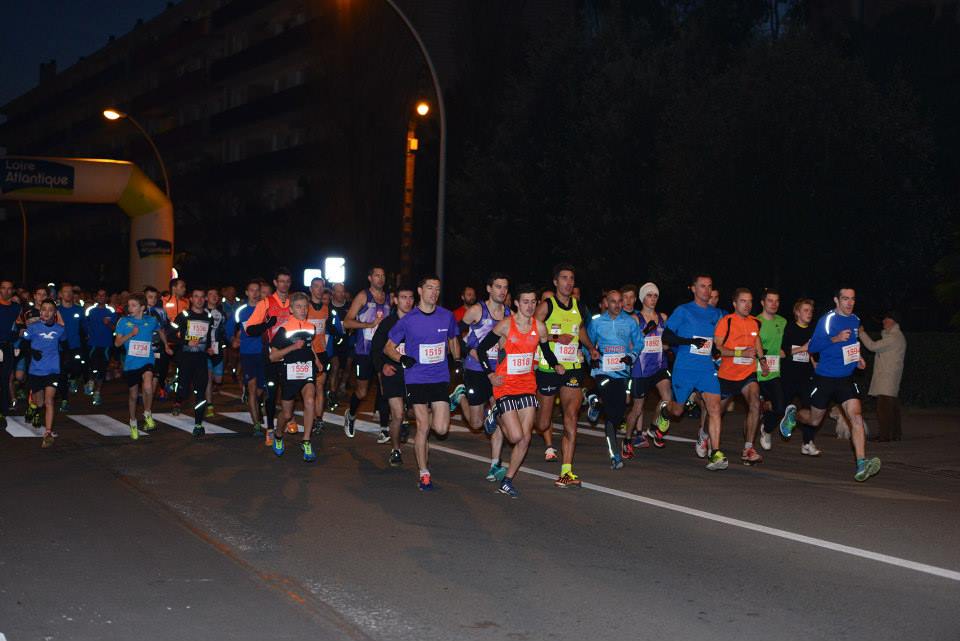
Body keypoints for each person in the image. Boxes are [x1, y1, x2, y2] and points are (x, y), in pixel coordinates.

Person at [783, 287, 881, 481]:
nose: (849, 303)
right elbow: (813, 347)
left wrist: (858, 358)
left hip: (846, 378)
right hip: (825, 377)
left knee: (856, 417)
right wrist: (835, 338)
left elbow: (852, 343)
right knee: (814, 420)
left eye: (852, 299)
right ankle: (794, 414)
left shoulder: (855, 320)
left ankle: (861, 464)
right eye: (845, 299)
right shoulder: (827, 320)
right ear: (836, 300)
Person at [475, 283, 563, 497]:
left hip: (527, 387)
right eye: (525, 301)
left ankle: (507, 480)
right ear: (516, 303)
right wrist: (490, 374)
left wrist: (555, 364)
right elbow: (482, 349)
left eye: (534, 302)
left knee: (525, 439)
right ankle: (494, 414)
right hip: (505, 386)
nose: (530, 306)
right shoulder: (506, 325)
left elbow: (545, 351)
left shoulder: (539, 327)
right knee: (514, 437)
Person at [384, 275, 461, 491]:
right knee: (424, 427)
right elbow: (388, 347)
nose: (434, 293)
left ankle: (450, 401)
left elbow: (453, 339)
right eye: (429, 288)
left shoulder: (446, 316)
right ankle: (424, 473)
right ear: (420, 291)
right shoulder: (408, 320)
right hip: (416, 378)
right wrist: (401, 358)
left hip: (439, 377)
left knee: (442, 428)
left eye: (437, 289)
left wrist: (457, 359)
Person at [534, 264, 599, 487]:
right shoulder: (546, 306)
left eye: (571, 278)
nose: (568, 282)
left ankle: (566, 471)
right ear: (555, 282)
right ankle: (522, 415)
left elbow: (579, 330)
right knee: (543, 423)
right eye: (564, 278)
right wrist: (554, 337)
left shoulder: (578, 306)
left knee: (571, 416)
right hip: (548, 368)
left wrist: (590, 347)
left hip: (572, 367)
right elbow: (533, 330)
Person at [659, 274, 725, 470]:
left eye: (709, 286)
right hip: (685, 368)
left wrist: (716, 351)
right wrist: (688, 342)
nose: (706, 290)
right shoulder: (683, 310)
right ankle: (665, 410)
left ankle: (715, 452)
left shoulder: (716, 314)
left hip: (706, 369)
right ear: (693, 289)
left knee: (714, 407)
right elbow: (667, 335)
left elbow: (714, 341)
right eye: (702, 286)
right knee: (677, 411)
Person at [453, 273, 511, 482]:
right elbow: (457, 330)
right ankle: (460, 396)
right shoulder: (477, 310)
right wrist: (470, 349)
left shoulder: (508, 313)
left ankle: (495, 464)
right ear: (489, 289)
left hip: (498, 372)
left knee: (498, 414)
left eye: (505, 287)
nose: (502, 291)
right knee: (477, 424)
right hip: (476, 370)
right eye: (498, 287)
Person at [586, 288, 641, 469]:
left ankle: (595, 403)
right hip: (602, 371)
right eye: (613, 301)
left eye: (620, 301)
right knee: (611, 410)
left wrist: (631, 357)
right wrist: (590, 358)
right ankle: (615, 455)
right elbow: (588, 344)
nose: (617, 305)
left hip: (622, 372)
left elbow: (639, 342)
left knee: (618, 413)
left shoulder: (630, 322)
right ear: (606, 303)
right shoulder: (597, 322)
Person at [713, 288, 768, 467]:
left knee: (755, 404)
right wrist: (740, 352)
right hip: (728, 375)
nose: (748, 305)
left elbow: (756, 340)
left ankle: (748, 448)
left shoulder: (754, 322)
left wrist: (762, 360)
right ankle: (705, 436)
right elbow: (718, 348)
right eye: (743, 301)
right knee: (716, 412)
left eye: (750, 301)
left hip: (748, 373)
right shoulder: (725, 321)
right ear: (735, 303)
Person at [268, 292, 320, 462]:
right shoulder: (283, 330)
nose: (303, 310)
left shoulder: (311, 327)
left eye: (305, 306)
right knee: (287, 413)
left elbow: (309, 346)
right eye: (299, 307)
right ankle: (278, 434)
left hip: (307, 371)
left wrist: (317, 360)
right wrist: (292, 348)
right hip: (289, 373)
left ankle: (306, 441)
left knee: (310, 400)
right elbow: (273, 357)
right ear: (291, 309)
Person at [243, 269, 293, 445]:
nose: (284, 284)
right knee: (271, 392)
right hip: (271, 354)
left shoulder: (295, 302)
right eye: (281, 281)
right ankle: (270, 428)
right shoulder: (265, 303)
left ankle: (289, 417)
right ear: (275, 282)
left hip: (291, 354)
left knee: (291, 389)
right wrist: (267, 324)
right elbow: (249, 329)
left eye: (287, 281)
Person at [623, 282, 673, 454]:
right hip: (641, 368)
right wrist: (645, 333)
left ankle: (653, 427)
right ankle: (627, 439)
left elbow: (666, 343)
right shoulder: (635, 319)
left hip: (659, 365)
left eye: (655, 296)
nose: (653, 299)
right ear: (643, 298)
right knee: (637, 409)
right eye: (649, 296)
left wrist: (666, 345)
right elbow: (629, 344)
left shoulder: (663, 317)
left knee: (667, 398)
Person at [115, 293, 172, 439]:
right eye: (129, 305)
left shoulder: (151, 320)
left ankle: (147, 413)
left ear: (142, 308)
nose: (130, 308)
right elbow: (117, 343)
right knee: (133, 396)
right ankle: (133, 421)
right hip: (131, 363)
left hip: (147, 360)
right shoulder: (123, 321)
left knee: (148, 386)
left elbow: (160, 331)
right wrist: (131, 334)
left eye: (134, 305)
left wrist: (166, 345)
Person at [343, 267, 390, 438]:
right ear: (370, 278)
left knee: (385, 387)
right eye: (377, 275)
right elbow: (347, 322)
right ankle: (351, 414)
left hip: (383, 352)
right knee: (362, 392)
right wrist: (368, 325)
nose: (380, 278)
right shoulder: (363, 296)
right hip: (364, 351)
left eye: (383, 276)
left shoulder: (389, 299)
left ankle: (384, 428)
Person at [371, 283, 415, 466]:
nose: (407, 301)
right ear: (396, 300)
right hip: (393, 373)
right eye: (403, 297)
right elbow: (375, 349)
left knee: (413, 412)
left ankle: (405, 421)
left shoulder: (418, 321)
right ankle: (395, 450)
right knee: (396, 414)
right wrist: (382, 367)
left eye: (411, 298)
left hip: (413, 374)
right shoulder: (388, 323)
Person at [170, 288, 215, 436]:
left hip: (201, 359)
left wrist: (209, 348)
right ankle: (178, 398)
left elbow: (208, 337)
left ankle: (198, 424)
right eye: (196, 296)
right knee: (183, 390)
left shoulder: (209, 316)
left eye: (202, 297)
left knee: (200, 391)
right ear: (191, 299)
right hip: (185, 359)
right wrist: (186, 342)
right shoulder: (183, 316)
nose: (200, 299)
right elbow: (171, 334)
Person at [22, 300, 66, 447]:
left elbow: (65, 343)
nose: (46, 312)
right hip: (36, 371)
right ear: (40, 312)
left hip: (52, 371)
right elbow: (23, 339)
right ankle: (32, 406)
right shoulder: (33, 327)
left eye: (50, 310)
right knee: (39, 402)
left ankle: (47, 433)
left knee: (49, 401)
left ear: (55, 313)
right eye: (44, 309)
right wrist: (31, 351)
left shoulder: (59, 330)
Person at [779, 298, 820, 455]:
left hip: (806, 376)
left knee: (810, 409)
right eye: (805, 310)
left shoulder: (813, 331)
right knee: (780, 408)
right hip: (789, 374)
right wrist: (801, 348)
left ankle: (807, 442)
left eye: (810, 311)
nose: (809, 313)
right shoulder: (789, 328)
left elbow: (810, 350)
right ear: (797, 312)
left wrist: (813, 361)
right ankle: (766, 428)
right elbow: (783, 352)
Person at [858, 311, 907, 442]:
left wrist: (861, 333)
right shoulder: (894, 336)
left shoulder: (894, 337)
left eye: (887, 319)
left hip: (887, 376)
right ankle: (895, 434)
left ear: (894, 322)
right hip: (889, 375)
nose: (884, 321)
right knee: (892, 407)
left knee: (884, 408)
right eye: (884, 319)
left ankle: (885, 436)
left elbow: (872, 346)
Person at [227, 280, 266, 434]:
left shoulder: (265, 309)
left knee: (261, 390)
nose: (255, 293)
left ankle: (255, 402)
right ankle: (256, 424)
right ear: (247, 292)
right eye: (252, 290)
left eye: (258, 290)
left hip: (264, 353)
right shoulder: (241, 310)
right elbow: (229, 328)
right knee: (252, 388)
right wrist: (233, 340)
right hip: (248, 353)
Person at [756, 289, 788, 452]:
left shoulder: (782, 322)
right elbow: (752, 344)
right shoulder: (755, 321)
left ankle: (766, 430)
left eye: (777, 301)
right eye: (770, 300)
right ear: (762, 302)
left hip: (773, 372)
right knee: (753, 409)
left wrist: (784, 350)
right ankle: (748, 448)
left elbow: (788, 341)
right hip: (755, 373)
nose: (774, 304)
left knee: (780, 408)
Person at [306, 277, 331, 433]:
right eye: (316, 286)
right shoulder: (305, 307)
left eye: (322, 287)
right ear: (311, 288)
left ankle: (319, 419)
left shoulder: (326, 308)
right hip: (306, 352)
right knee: (308, 389)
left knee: (320, 386)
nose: (319, 289)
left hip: (321, 352)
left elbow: (324, 330)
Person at [82, 288, 117, 406]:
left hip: (106, 344)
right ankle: (91, 381)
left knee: (102, 369)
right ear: (96, 297)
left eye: (103, 295)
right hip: (93, 343)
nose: (101, 297)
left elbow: (115, 329)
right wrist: (87, 335)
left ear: (106, 297)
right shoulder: (90, 310)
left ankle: (97, 392)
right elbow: (85, 324)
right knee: (92, 365)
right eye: (99, 295)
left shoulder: (111, 310)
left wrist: (109, 324)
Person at [56, 283, 84, 412]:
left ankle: (74, 378)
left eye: (70, 292)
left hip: (75, 346)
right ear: (60, 294)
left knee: (77, 368)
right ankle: (64, 399)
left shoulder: (79, 310)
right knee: (61, 374)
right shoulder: (56, 310)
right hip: (59, 347)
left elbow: (84, 327)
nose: (68, 294)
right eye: (65, 291)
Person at [0, 280, 22, 428]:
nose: (6, 291)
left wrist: (16, 342)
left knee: (4, 380)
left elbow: (20, 327)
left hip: (7, 347)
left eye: (9, 289)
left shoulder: (16, 307)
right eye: (3, 288)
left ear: (13, 291)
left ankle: (2, 413)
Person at [326, 282, 351, 409]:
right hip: (333, 342)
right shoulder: (328, 307)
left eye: (343, 291)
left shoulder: (350, 306)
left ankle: (341, 387)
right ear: (333, 293)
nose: (341, 294)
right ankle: (332, 393)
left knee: (346, 367)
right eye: (338, 291)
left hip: (348, 341)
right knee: (335, 366)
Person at [204, 288, 227, 418]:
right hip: (205, 349)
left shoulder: (222, 313)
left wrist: (229, 342)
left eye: (215, 294)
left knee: (218, 380)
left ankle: (208, 390)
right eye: (210, 294)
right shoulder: (202, 311)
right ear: (206, 298)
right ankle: (209, 405)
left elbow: (224, 331)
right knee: (208, 378)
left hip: (217, 348)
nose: (213, 296)